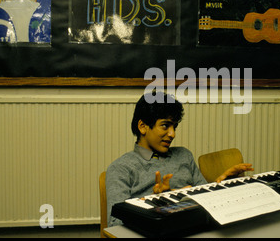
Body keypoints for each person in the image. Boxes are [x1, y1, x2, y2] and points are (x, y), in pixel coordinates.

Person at [106, 92, 253, 227]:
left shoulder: (184, 155)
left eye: (174, 127)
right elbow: (115, 224)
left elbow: (207, 201)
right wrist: (156, 204)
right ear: (143, 126)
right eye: (165, 126)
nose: (172, 134)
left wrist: (222, 185)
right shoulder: (121, 168)